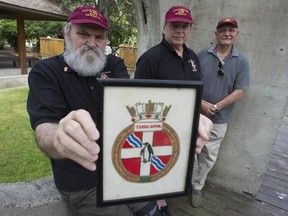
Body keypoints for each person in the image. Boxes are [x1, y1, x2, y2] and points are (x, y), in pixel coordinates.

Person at [27, 6, 164, 216]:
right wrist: (58, 138)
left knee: (156, 212)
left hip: (122, 169)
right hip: (84, 182)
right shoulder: (45, 72)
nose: (92, 43)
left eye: (99, 37)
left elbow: (131, 110)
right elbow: (45, 126)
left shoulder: (114, 64)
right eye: (83, 34)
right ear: (66, 33)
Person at [134, 5, 213, 216]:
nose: (180, 30)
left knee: (172, 165)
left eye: (184, 26)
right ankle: (154, 200)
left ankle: (163, 195)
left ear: (189, 29)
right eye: (174, 25)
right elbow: (137, 98)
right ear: (164, 28)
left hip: (184, 127)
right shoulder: (150, 58)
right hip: (157, 127)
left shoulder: (192, 57)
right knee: (154, 165)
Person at [190, 17, 250, 208]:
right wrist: (201, 103)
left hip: (219, 118)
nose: (227, 33)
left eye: (231, 30)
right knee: (190, 151)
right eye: (223, 30)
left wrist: (215, 107)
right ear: (216, 34)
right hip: (195, 114)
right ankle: (185, 182)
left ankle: (197, 186)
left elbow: (239, 90)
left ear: (236, 34)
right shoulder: (202, 55)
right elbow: (192, 82)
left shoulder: (242, 61)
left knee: (208, 156)